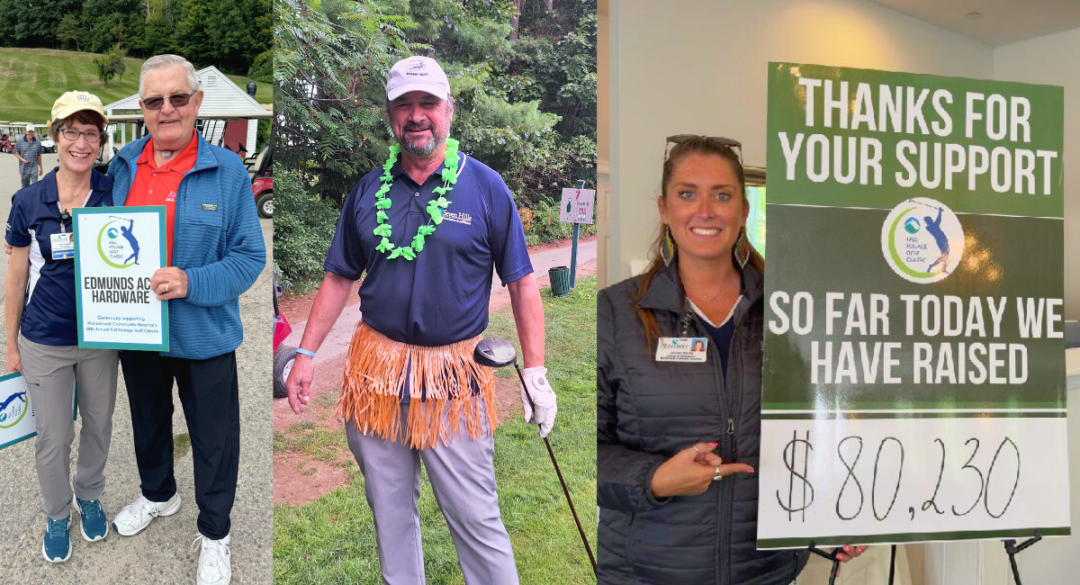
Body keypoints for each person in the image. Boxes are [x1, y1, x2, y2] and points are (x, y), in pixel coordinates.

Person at [285, 55, 555, 585]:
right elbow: (340, 278)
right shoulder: (367, 191)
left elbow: (522, 283)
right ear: (390, 116)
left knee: (477, 518)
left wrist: (537, 372)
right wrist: (306, 352)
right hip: (375, 374)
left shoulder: (484, 187)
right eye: (404, 106)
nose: (416, 116)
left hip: (453, 376)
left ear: (448, 110)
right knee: (390, 516)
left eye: (427, 103)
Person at [596, 135, 866, 584]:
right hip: (642, 572)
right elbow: (585, 452)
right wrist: (655, 478)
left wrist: (837, 511)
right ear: (664, 207)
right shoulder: (615, 313)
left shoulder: (795, 313)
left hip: (764, 572)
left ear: (742, 210)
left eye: (722, 195)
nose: (705, 211)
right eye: (687, 194)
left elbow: (826, 427)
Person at [105, 54, 265, 585]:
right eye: (154, 101)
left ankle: (215, 534)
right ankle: (159, 495)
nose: (166, 109)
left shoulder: (228, 171)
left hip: (205, 337)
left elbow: (248, 258)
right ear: (142, 110)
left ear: (197, 102)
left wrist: (192, 283)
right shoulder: (122, 164)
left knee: (215, 441)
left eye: (177, 98)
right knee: (148, 426)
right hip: (139, 332)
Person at [5, 92, 118, 563]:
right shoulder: (28, 199)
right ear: (54, 137)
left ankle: (88, 494)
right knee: (53, 436)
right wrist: (10, 345)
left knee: (98, 424)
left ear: (100, 141)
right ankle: (56, 511)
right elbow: (14, 277)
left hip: (101, 336)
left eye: (90, 132)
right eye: (70, 131)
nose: (80, 141)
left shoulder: (115, 192)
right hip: (44, 339)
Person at [14, 124, 44, 188]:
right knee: (25, 187)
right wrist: (22, 159)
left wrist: (41, 168)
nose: (30, 133)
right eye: (29, 131)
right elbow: (15, 152)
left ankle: (33, 197)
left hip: (34, 168)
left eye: (32, 132)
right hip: (24, 169)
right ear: (26, 131)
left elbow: (39, 155)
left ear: (34, 132)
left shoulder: (37, 142)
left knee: (34, 186)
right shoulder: (20, 141)